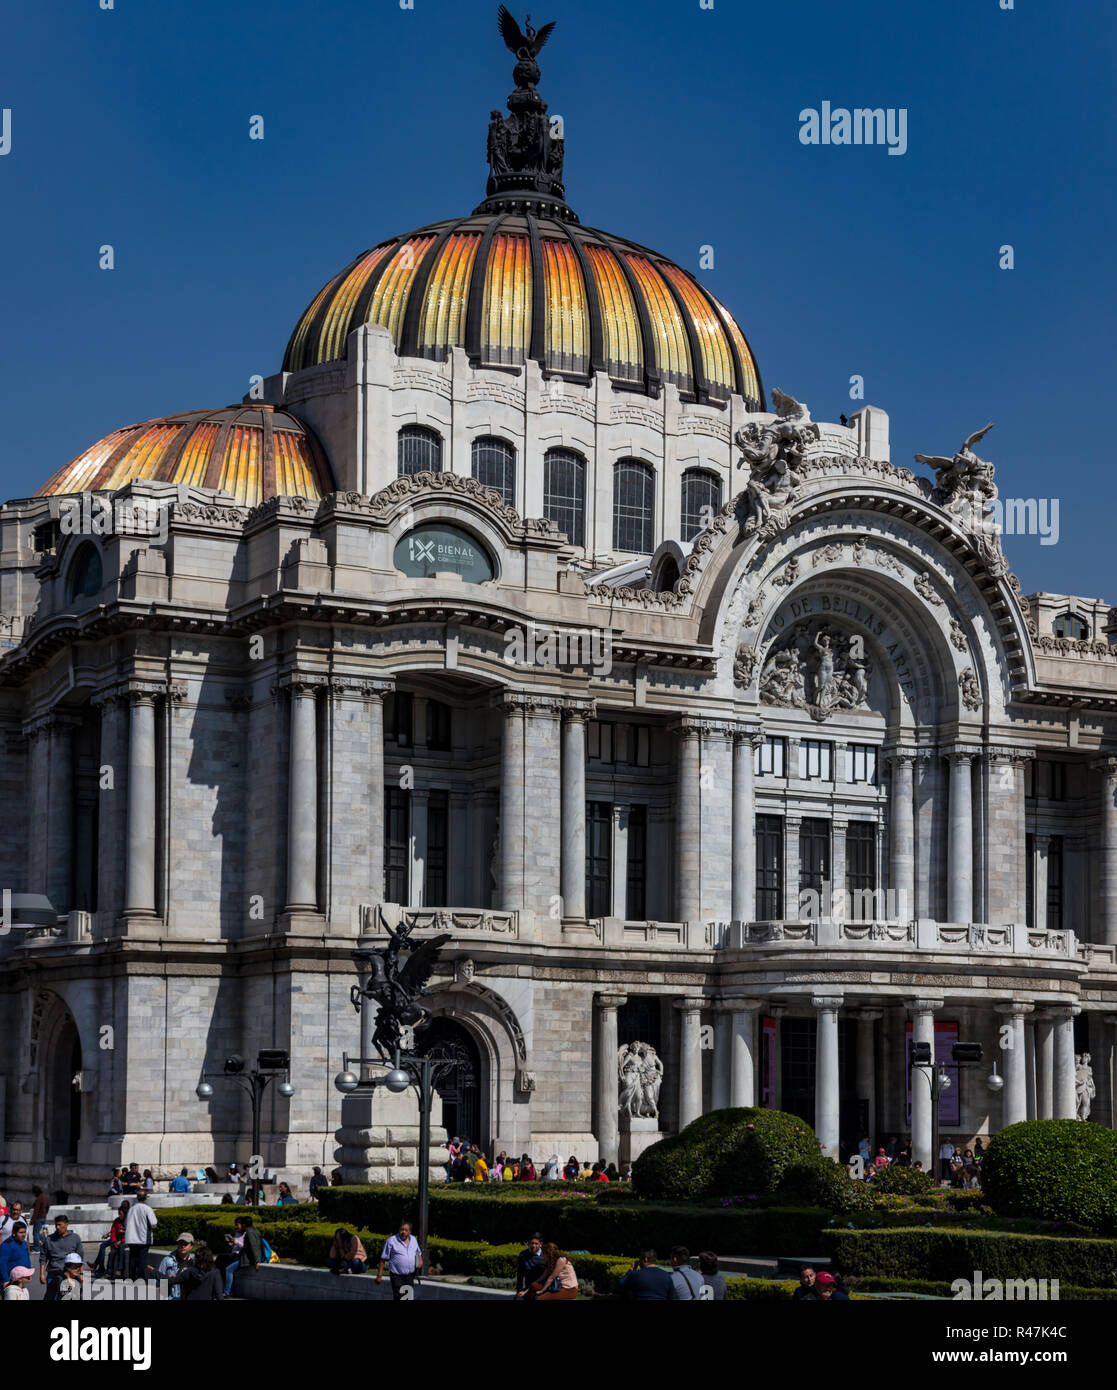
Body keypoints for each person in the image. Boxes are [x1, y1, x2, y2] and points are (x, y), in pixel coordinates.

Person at [39, 1214, 84, 1301]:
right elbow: (43, 1257)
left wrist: (81, 1274)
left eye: (60, 1225)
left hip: (70, 1275)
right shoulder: (49, 1239)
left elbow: (80, 1258)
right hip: (53, 1273)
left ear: (67, 1224)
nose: (58, 1227)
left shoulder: (75, 1238)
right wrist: (41, 1274)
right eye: (56, 1225)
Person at [377, 1220, 422, 1300]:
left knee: (408, 1298)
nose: (403, 1232)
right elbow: (383, 1259)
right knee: (399, 1297)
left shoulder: (414, 1240)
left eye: (406, 1230)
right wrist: (379, 1276)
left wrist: (420, 1261)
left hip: (410, 1275)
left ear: (410, 1232)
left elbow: (418, 1252)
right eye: (401, 1229)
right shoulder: (391, 1241)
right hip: (396, 1276)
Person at [124, 1193, 158, 1279]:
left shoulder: (131, 1209)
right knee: (142, 1260)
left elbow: (126, 1223)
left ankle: (131, 1278)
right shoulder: (147, 1208)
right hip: (143, 1238)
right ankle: (141, 1278)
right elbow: (154, 1223)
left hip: (131, 1239)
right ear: (145, 1198)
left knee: (133, 1259)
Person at [90, 1204, 129, 1278]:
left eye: (120, 1214)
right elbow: (113, 1231)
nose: (119, 1215)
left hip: (123, 1240)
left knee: (117, 1251)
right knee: (104, 1247)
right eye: (118, 1213)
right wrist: (114, 1241)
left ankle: (118, 1269)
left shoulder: (128, 1221)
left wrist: (121, 1241)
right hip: (116, 1239)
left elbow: (129, 1233)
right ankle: (105, 1269)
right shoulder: (117, 1220)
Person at [0, 1220, 31, 1286]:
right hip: (10, 1280)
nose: (24, 1235)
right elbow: (2, 1263)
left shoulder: (24, 1243)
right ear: (14, 1233)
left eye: (25, 1232)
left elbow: (26, 1258)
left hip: (21, 1279)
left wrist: (29, 1272)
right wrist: (6, 1279)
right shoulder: (7, 1245)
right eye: (21, 1232)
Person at [30, 1186, 49, 1251]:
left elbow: (36, 1210)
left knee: (35, 1233)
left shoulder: (39, 1199)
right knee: (40, 1233)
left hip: (38, 1218)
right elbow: (48, 1206)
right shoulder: (45, 1197)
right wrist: (45, 1213)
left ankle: (36, 1248)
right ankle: (47, 1244)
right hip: (43, 1217)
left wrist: (32, 1220)